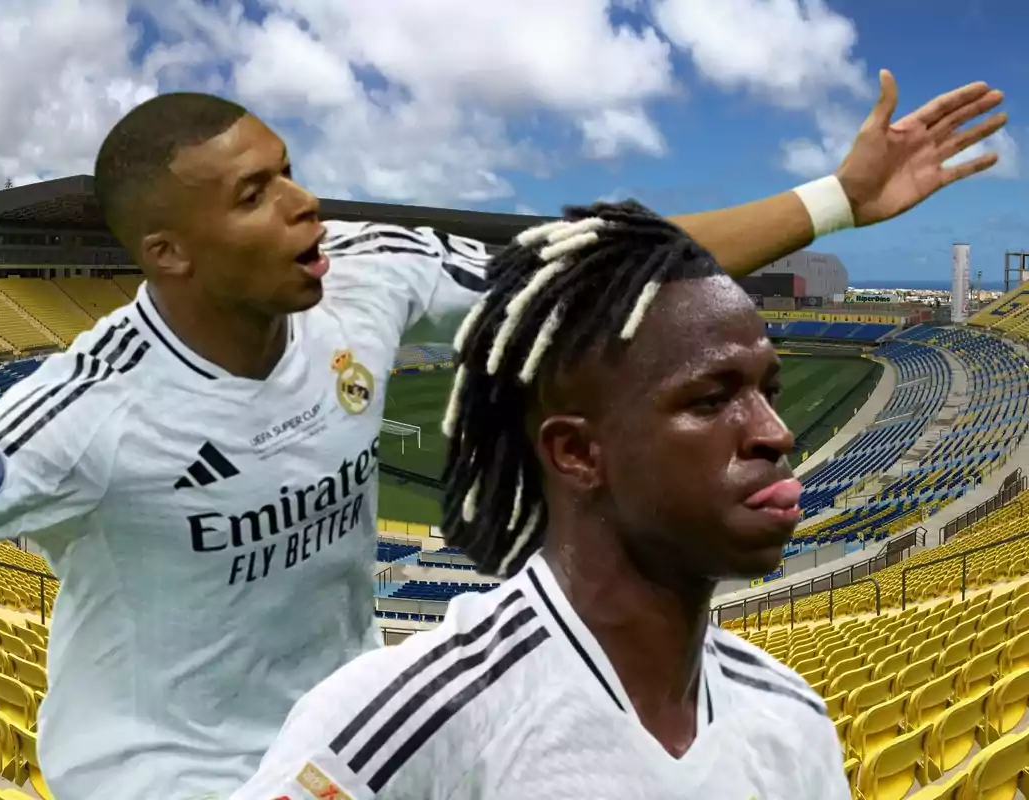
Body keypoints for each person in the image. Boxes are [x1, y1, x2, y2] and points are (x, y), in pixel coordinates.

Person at [0, 70, 1004, 799]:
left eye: (288, 172)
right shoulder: (84, 404)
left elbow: (589, 266)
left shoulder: (367, 277)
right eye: (252, 195)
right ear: (167, 253)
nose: (302, 204)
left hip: (359, 747)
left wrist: (838, 198)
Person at [231, 201, 848, 800]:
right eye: (711, 400)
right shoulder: (408, 719)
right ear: (576, 453)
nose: (774, 432)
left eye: (770, 390)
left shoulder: (793, 717)